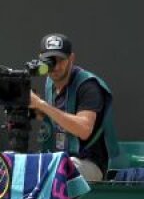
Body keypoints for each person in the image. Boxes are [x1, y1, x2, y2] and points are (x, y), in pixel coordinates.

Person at [30, 33, 120, 184]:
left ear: (71, 58)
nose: (56, 66)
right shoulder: (51, 83)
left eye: (61, 60)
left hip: (90, 164)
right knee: (30, 167)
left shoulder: (88, 85)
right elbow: (56, 119)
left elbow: (83, 129)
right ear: (41, 59)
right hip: (60, 157)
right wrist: (31, 108)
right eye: (50, 61)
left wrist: (41, 104)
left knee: (59, 169)